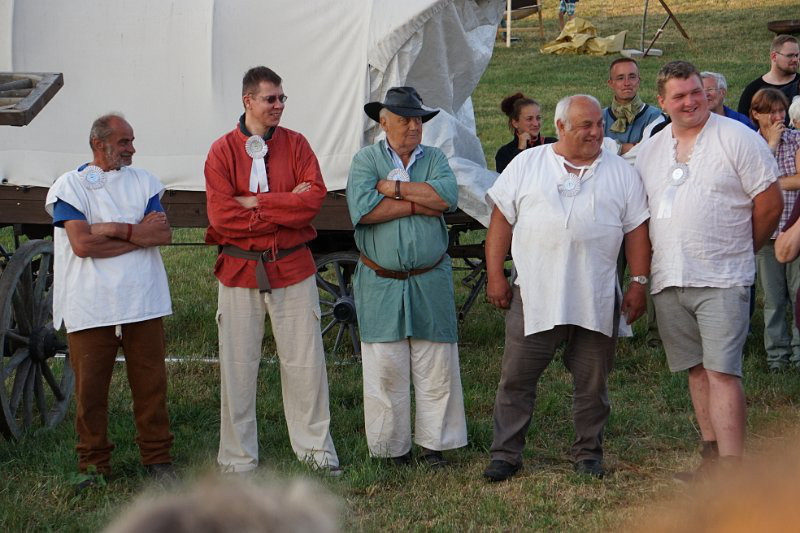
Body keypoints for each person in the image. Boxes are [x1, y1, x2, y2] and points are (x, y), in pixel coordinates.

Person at [482, 94, 651, 482]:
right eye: (585, 126)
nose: (596, 132)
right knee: (516, 379)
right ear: (560, 127)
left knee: (593, 384)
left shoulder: (621, 171)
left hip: (596, 295)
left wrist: (638, 282)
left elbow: (637, 230)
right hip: (535, 295)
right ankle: (505, 455)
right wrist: (495, 275)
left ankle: (588, 454)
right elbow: (501, 221)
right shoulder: (528, 163)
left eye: (599, 124)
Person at [636, 61, 782, 481]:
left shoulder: (737, 137)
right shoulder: (651, 149)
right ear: (662, 102)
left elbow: (769, 203)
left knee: (722, 371)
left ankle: (733, 472)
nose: (690, 102)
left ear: (707, 92)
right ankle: (711, 458)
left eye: (696, 92)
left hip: (722, 277)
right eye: (679, 96)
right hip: (670, 277)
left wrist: (741, 248)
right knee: (696, 370)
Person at [204, 66, 339, 474]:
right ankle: (237, 459)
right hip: (239, 270)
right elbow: (222, 216)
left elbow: (312, 200)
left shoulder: (297, 145)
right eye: (270, 99)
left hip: (292, 267)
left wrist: (256, 203)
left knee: (305, 365)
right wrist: (284, 204)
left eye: (282, 98)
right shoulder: (221, 151)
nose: (279, 105)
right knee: (238, 368)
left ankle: (316, 453)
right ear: (248, 101)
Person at [45, 114, 175, 488]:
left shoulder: (144, 182)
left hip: (142, 299)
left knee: (151, 386)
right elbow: (82, 244)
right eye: (124, 142)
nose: (132, 148)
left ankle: (158, 459)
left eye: (131, 141)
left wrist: (114, 229)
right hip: (91, 302)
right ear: (98, 144)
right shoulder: (70, 186)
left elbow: (161, 235)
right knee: (90, 392)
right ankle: (93, 466)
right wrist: (137, 236)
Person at [346, 86, 467, 467]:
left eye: (418, 120)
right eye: (405, 120)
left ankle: (434, 446)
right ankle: (390, 449)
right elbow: (364, 210)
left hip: (430, 278)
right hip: (381, 280)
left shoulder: (435, 158)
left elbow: (446, 198)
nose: (414, 126)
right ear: (384, 123)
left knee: (436, 364)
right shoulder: (366, 160)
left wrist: (394, 189)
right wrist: (418, 203)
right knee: (385, 366)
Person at [749, 88, 800, 372]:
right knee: (772, 299)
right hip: (766, 233)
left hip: (793, 229)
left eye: (782, 111)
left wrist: (770, 185)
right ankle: (777, 357)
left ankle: (799, 354)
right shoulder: (750, 143)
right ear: (756, 114)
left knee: (798, 294)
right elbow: (749, 184)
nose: (779, 117)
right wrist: (771, 145)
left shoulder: (796, 139)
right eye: (772, 112)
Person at [602, 58, 664, 156]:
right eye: (620, 78)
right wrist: (622, 147)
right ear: (611, 83)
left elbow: (650, 153)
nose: (627, 83)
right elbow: (586, 148)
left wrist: (607, 147)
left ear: (638, 81)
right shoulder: (599, 117)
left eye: (632, 77)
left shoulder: (655, 117)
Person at [738, 35, 800, 127]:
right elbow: (743, 126)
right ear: (774, 56)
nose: (795, 60)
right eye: (790, 55)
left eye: (797, 55)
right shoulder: (753, 90)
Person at [495, 93, 557, 173]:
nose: (536, 123)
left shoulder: (552, 145)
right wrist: (520, 149)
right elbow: (510, 177)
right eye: (529, 119)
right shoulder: (504, 153)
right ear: (515, 123)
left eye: (538, 118)